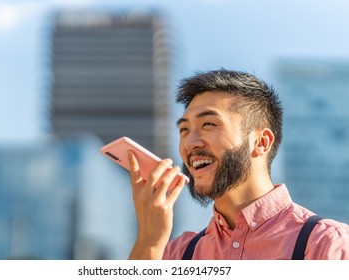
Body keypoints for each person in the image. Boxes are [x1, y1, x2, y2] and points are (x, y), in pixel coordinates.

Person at [127, 69, 349, 260]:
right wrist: (149, 240)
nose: (190, 143)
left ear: (261, 142)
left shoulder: (325, 244)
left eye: (208, 124)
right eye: (184, 129)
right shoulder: (177, 253)